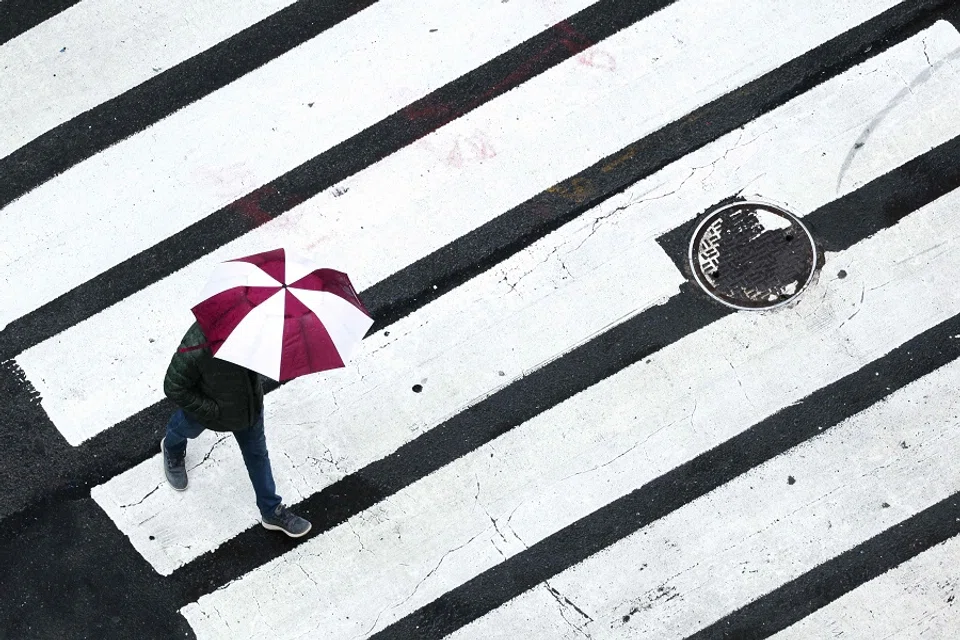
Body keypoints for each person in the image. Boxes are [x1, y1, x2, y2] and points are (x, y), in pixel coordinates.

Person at [161, 321, 311, 537]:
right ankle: (172, 448)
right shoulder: (199, 342)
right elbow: (173, 386)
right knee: (185, 428)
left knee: (258, 456)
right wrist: (211, 410)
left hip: (249, 411)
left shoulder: (260, 329)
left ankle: (271, 511)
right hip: (212, 410)